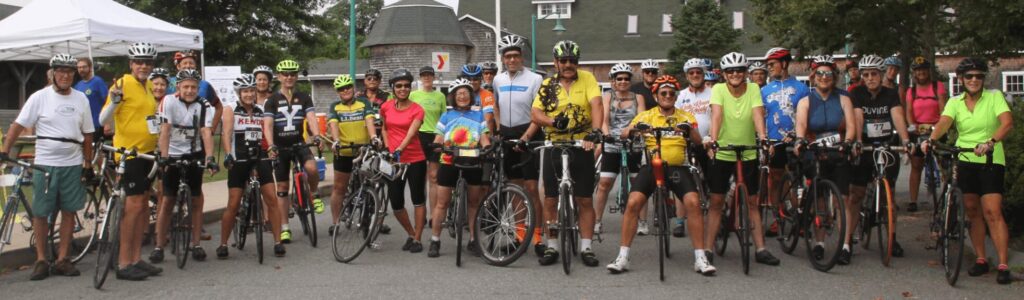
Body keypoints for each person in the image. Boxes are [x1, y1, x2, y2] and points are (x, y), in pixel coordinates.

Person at [1, 54, 95, 280]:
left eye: (69, 72)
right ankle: (41, 259)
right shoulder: (39, 97)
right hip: (45, 164)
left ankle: (63, 258)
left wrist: (88, 163)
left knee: (69, 211)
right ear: (52, 73)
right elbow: (18, 125)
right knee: (41, 213)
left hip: (72, 163)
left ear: (74, 75)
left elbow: (88, 133)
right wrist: (5, 150)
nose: (65, 76)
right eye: (60, 71)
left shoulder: (81, 98)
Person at [921, 58, 1013, 285]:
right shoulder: (955, 102)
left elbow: (1007, 123)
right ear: (961, 79)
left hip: (990, 159)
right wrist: (931, 140)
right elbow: (944, 122)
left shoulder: (994, 98)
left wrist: (991, 142)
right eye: (969, 76)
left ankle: (1002, 264)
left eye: (979, 76)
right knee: (972, 210)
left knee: (992, 211)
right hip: (964, 158)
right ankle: (981, 259)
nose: (974, 80)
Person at [604, 75, 705, 274]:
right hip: (651, 166)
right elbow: (625, 133)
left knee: (693, 202)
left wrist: (687, 130)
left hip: (678, 167)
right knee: (633, 203)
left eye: (671, 93)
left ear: (675, 96)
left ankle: (700, 258)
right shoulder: (647, 115)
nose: (667, 96)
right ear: (656, 95)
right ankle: (623, 257)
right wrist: (636, 129)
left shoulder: (685, 116)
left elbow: (698, 140)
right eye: (663, 93)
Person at [704, 52, 780, 268]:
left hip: (748, 151)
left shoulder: (754, 89)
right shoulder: (718, 89)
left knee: (753, 201)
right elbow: (716, 115)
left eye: (739, 70)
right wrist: (714, 140)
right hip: (723, 151)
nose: (735, 74)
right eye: (730, 71)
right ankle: (707, 249)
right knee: (716, 201)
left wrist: (764, 138)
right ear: (724, 74)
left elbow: (757, 114)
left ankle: (761, 249)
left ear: (745, 72)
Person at [531, 40, 603, 267]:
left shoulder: (587, 79)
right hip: (555, 143)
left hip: (582, 144)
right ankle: (552, 246)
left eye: (572, 61)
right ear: (556, 63)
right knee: (550, 198)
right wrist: (553, 121)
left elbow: (597, 105)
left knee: (584, 198)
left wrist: (596, 133)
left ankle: (586, 247)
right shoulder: (548, 84)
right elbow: (535, 112)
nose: (568, 64)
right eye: (564, 61)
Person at [98, 42, 162, 280]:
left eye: (148, 62)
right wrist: (114, 101)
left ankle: (136, 257)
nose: (143, 66)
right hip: (129, 155)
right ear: (131, 64)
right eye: (139, 62)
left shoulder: (146, 88)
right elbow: (102, 118)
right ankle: (124, 263)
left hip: (147, 155)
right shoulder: (122, 84)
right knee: (132, 209)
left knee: (142, 207)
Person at [845, 55, 912, 264]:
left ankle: (891, 236)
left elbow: (898, 116)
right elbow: (857, 117)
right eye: (866, 75)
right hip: (864, 146)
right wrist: (856, 140)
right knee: (856, 194)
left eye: (874, 74)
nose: (870, 78)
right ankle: (846, 242)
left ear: (881, 75)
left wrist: (906, 140)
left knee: (889, 195)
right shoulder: (857, 93)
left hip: (886, 144)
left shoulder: (891, 94)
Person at [793, 55, 858, 261]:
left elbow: (851, 125)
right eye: (819, 73)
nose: (824, 77)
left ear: (834, 76)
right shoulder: (805, 101)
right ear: (813, 76)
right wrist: (800, 140)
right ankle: (819, 242)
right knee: (819, 199)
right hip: (816, 152)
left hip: (838, 152)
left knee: (844, 200)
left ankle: (846, 245)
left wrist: (848, 141)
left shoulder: (844, 98)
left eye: (828, 73)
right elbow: (801, 125)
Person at [154, 69, 220, 262]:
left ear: (198, 88)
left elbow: (206, 132)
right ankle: (158, 245)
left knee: (197, 198)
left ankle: (196, 243)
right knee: (167, 200)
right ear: (178, 87)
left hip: (194, 152)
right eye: (186, 87)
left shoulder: (204, 104)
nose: (190, 91)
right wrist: (164, 157)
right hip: (172, 152)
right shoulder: (169, 101)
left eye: (193, 87)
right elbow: (165, 130)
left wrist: (209, 158)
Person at [217, 74, 285, 258]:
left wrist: (271, 149)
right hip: (239, 158)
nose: (249, 94)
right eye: (245, 91)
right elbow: (227, 133)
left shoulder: (261, 110)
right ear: (239, 93)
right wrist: (228, 154)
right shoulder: (231, 109)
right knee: (233, 203)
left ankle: (278, 242)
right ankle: (223, 243)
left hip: (259, 157)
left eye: (251, 91)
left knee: (271, 198)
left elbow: (267, 132)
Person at [491, 34, 546, 255]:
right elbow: (495, 105)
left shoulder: (535, 79)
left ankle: (539, 236)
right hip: (507, 134)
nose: (512, 60)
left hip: (529, 134)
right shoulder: (498, 80)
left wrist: (525, 138)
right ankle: (520, 235)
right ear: (503, 59)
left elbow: (538, 113)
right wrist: (498, 129)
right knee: (514, 189)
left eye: (515, 56)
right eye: (508, 56)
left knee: (532, 188)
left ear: (522, 57)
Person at [426, 78, 491, 257]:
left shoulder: (479, 115)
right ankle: (435, 240)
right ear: (453, 97)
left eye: (466, 93)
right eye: (459, 94)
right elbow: (438, 137)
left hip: (473, 161)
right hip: (449, 160)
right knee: (442, 202)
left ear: (471, 96)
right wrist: (438, 145)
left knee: (473, 202)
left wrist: (486, 147)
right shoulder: (447, 115)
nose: (462, 96)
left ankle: (472, 240)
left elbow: (484, 136)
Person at [263, 59, 324, 244]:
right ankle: (284, 228)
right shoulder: (272, 100)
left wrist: (317, 135)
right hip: (280, 147)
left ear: (296, 76)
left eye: (292, 74)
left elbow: (312, 118)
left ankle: (313, 194)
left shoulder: (304, 96)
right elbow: (268, 125)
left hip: (299, 143)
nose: (289, 77)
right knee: (281, 188)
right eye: (285, 74)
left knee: (312, 169)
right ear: (279, 77)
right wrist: (271, 144)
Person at [760, 47, 810, 237]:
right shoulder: (764, 90)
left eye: (772, 64)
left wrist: (799, 136)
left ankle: (801, 218)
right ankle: (777, 218)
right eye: (768, 65)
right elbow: (760, 117)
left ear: (784, 64)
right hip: (774, 141)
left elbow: (805, 116)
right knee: (775, 180)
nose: (769, 68)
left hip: (796, 140)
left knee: (798, 182)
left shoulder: (802, 88)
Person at [380, 69, 428, 253]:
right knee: (396, 202)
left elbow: (412, 132)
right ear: (393, 87)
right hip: (393, 161)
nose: (403, 89)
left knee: (417, 199)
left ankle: (417, 239)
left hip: (414, 159)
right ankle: (410, 232)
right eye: (399, 86)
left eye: (407, 86)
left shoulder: (417, 109)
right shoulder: (386, 107)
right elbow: (384, 128)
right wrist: (387, 147)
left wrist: (400, 147)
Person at [594, 62, 645, 236]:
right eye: (619, 78)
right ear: (613, 81)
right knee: (604, 184)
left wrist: (630, 129)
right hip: (611, 141)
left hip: (633, 142)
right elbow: (603, 119)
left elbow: (641, 118)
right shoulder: (607, 96)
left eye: (626, 78)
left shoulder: (638, 97)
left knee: (639, 184)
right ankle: (597, 221)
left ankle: (642, 221)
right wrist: (606, 134)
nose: (623, 81)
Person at [325, 75, 376, 236]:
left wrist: (374, 137)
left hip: (363, 150)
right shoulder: (335, 106)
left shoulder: (364, 103)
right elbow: (333, 124)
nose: (345, 90)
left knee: (371, 185)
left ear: (353, 88)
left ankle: (373, 219)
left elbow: (369, 120)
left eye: (348, 87)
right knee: (339, 188)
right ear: (337, 92)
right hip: (344, 151)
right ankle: (336, 222)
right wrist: (336, 141)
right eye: (341, 89)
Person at [671, 57, 713, 238]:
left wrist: (712, 137)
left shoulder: (714, 92)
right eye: (691, 73)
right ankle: (680, 221)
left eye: (698, 72)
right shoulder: (680, 96)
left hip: (709, 142)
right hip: (686, 143)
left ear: (703, 74)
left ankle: (714, 219)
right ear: (687, 75)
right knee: (683, 180)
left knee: (712, 182)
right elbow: (674, 118)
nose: (695, 75)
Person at [905, 56, 947, 213]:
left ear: (928, 71)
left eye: (923, 70)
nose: (920, 73)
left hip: (936, 128)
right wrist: (912, 126)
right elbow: (909, 111)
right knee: (916, 165)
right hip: (919, 130)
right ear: (914, 73)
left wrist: (940, 126)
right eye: (917, 70)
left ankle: (946, 197)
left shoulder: (938, 87)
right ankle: (913, 200)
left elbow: (943, 109)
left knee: (944, 164)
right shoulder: (912, 91)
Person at [409, 66, 446, 223]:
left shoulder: (440, 96)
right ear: (420, 77)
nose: (426, 78)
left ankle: (433, 215)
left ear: (434, 77)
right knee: (419, 177)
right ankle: (421, 214)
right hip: (418, 135)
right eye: (423, 75)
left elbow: (444, 117)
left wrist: (443, 136)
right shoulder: (413, 95)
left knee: (433, 177)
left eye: (429, 75)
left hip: (435, 136)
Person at [166, 50, 224, 132]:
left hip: (199, 135)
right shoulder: (169, 83)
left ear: (195, 65)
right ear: (178, 66)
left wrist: (212, 129)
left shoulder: (205, 85)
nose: (188, 65)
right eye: (185, 63)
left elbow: (219, 107)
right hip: (173, 135)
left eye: (191, 63)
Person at [74, 57, 107, 140]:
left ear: (90, 67)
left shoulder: (98, 81)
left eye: (84, 67)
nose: (81, 69)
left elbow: (107, 101)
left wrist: (108, 122)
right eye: (79, 67)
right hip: (83, 125)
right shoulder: (78, 85)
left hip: (97, 124)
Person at [460, 64, 497, 132]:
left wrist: (487, 139)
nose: (472, 82)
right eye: (468, 79)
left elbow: (488, 120)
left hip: (479, 135)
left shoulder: (487, 94)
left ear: (481, 80)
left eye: (475, 79)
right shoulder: (458, 95)